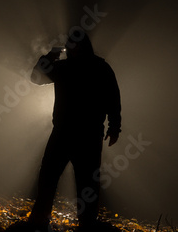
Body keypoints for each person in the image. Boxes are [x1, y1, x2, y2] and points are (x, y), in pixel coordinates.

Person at [27, 29, 122, 232]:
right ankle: (82, 224)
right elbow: (113, 99)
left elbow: (36, 76)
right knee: (76, 181)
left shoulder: (68, 68)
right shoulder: (99, 67)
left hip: (70, 132)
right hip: (82, 133)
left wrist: (51, 55)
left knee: (55, 178)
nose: (71, 48)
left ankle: (44, 221)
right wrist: (114, 127)